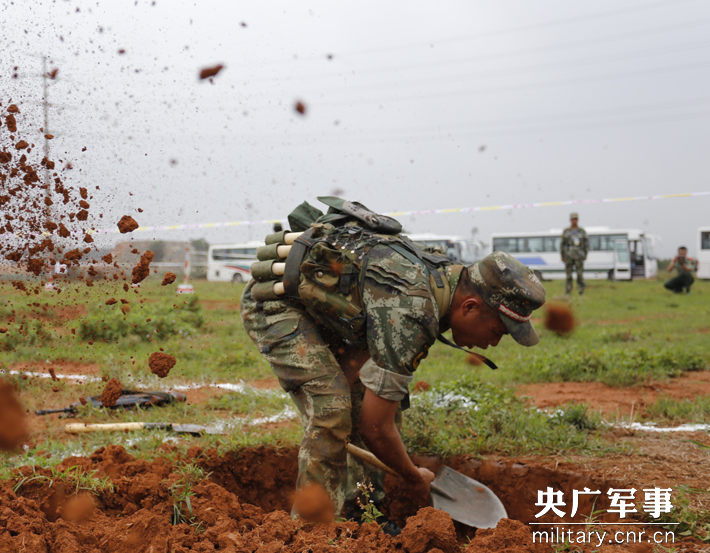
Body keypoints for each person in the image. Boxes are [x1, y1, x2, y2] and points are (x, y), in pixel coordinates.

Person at [239, 197, 546, 523]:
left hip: (333, 316)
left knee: (365, 400)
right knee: (331, 411)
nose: (494, 342)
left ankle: (363, 513)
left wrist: (352, 385)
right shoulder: (414, 311)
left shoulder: (444, 281)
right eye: (498, 330)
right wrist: (412, 475)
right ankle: (311, 533)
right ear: (469, 307)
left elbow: (375, 400)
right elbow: (376, 428)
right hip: (278, 306)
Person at [561, 212, 589, 295]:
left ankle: (581, 291)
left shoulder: (582, 231)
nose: (574, 220)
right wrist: (562, 255)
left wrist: (585, 254)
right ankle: (568, 291)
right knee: (569, 275)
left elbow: (586, 244)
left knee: (580, 274)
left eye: (576, 219)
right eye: (573, 219)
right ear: (570, 220)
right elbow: (562, 245)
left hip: (579, 256)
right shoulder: (566, 231)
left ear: (578, 220)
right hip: (568, 256)